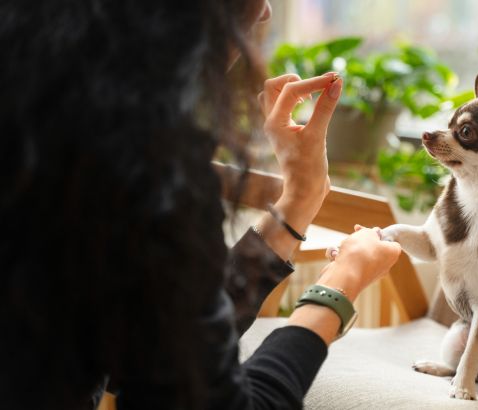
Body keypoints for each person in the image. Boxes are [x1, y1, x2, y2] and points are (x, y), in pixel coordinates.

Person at [0, 0, 402, 409]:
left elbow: (162, 348)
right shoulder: (136, 162)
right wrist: (340, 284)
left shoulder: (53, 125)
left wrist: (299, 200)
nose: (264, 13)